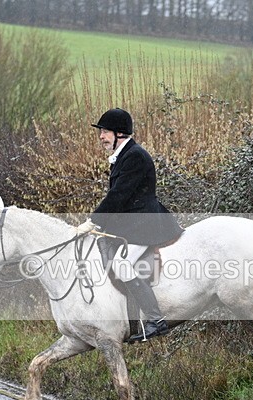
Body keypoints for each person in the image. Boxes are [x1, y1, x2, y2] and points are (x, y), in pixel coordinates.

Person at [77, 108, 183, 342]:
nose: (101, 137)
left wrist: (93, 221)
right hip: (132, 222)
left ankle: (156, 320)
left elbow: (118, 195)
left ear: (120, 133)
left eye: (105, 132)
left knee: (122, 264)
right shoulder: (123, 155)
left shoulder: (134, 156)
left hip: (146, 223)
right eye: (101, 132)